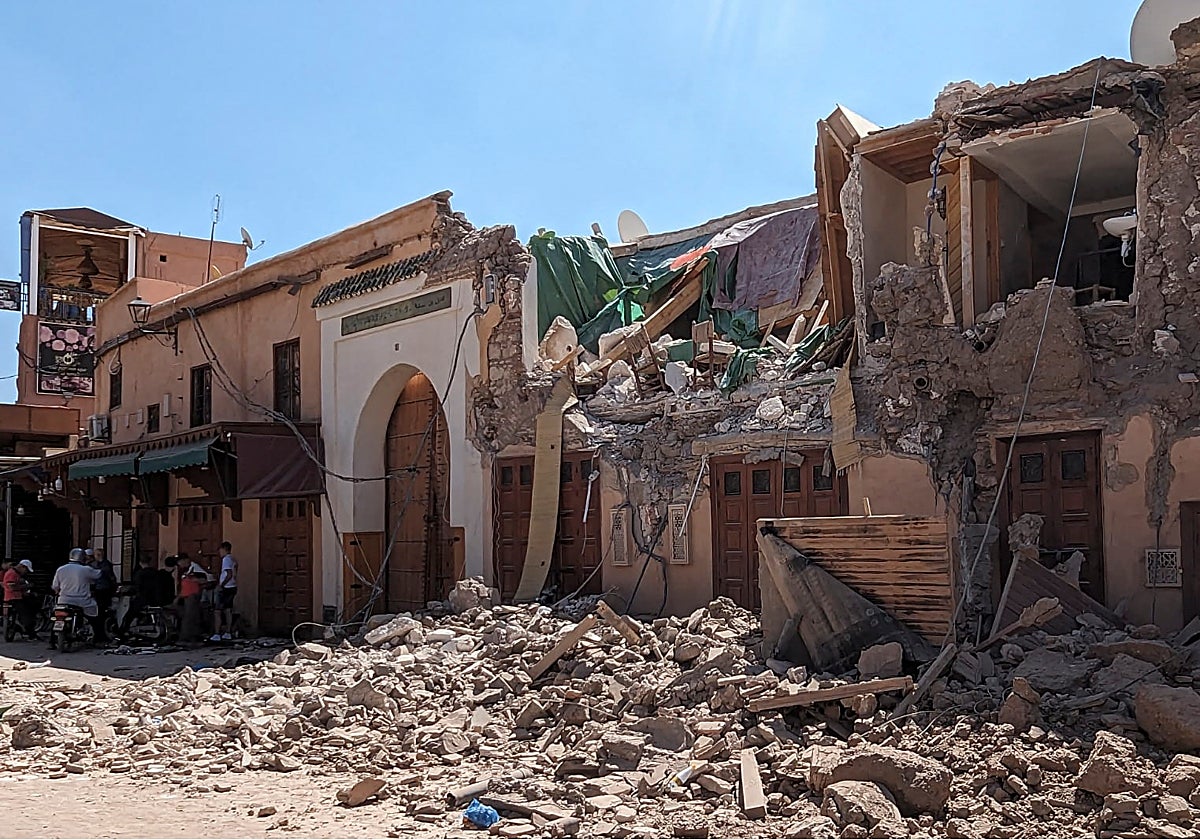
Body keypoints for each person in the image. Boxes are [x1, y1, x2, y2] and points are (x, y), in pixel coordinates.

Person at [50, 548, 102, 649]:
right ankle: (98, 638)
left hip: (63, 600)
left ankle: (52, 641)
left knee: (56, 618)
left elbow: (55, 586)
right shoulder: (86, 569)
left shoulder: (61, 569)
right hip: (82, 601)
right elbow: (99, 574)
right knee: (94, 616)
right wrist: (99, 561)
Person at [118, 556, 159, 638]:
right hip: (155, 598)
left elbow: (137, 587)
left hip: (142, 598)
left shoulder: (139, 574)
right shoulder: (156, 572)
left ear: (140, 563)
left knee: (129, 615)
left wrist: (128, 591)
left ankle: (122, 632)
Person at [177, 555, 211, 644]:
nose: (179, 565)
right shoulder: (184, 570)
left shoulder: (195, 568)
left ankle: (188, 637)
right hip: (186, 596)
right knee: (187, 616)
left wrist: (193, 579)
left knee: (190, 617)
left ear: (185, 560)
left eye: (180, 562)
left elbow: (204, 580)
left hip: (192, 595)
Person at [87, 548, 116, 644]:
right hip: (100, 591)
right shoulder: (102, 565)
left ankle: (99, 635)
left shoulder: (97, 565)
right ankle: (99, 635)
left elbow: (110, 578)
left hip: (102, 591)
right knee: (100, 613)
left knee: (100, 613)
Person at [4, 559, 39, 640]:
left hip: (15, 597)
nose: (25, 572)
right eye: (26, 570)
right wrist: (26, 586)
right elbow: (11, 586)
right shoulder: (12, 573)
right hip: (14, 598)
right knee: (26, 615)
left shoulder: (16, 574)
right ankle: (30, 634)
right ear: (22, 567)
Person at [211, 541, 238, 642]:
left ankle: (217, 633)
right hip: (233, 586)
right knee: (228, 610)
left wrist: (221, 585)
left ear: (223, 549)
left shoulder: (226, 559)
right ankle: (228, 632)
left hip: (225, 588)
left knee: (217, 611)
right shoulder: (233, 559)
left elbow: (229, 574)